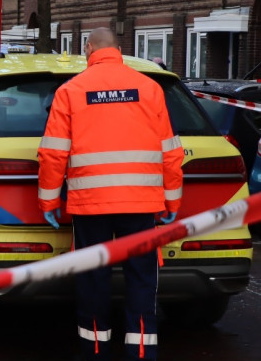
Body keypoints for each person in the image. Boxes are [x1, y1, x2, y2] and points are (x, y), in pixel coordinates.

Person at [37, 27, 183, 361]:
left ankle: (95, 350)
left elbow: (53, 153)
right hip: (142, 203)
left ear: (89, 48)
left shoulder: (70, 91)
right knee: (142, 280)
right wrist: (172, 200)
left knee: (93, 280)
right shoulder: (149, 88)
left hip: (90, 206)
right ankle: (142, 351)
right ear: (119, 48)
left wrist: (48, 201)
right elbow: (170, 151)